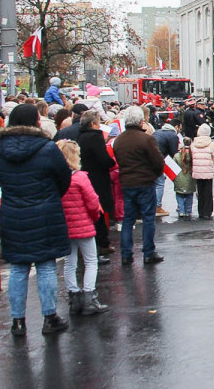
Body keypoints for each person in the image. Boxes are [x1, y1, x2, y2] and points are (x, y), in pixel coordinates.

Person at [0, 103, 72, 337]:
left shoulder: (0, 149)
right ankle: (49, 317)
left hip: (12, 211)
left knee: (18, 267)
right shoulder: (47, 148)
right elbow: (64, 177)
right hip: (45, 210)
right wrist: (50, 195)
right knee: (46, 265)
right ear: (35, 121)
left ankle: (18, 321)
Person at [56, 140, 108, 316]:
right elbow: (93, 202)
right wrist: (94, 218)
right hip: (83, 224)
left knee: (69, 262)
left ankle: (74, 297)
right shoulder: (80, 177)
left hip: (64, 225)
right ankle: (89, 296)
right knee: (90, 261)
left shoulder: (55, 179)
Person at [114, 106, 164, 266]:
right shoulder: (146, 139)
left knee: (128, 219)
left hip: (127, 182)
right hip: (145, 182)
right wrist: (153, 174)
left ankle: (126, 254)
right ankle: (148, 252)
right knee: (148, 218)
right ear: (141, 121)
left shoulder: (119, 140)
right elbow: (158, 162)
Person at [76, 110, 116, 259]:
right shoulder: (95, 137)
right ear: (93, 124)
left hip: (85, 176)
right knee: (98, 212)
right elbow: (103, 158)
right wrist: (112, 162)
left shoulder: (79, 136)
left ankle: (95, 244)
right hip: (97, 178)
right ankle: (101, 244)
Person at [190, 123, 214, 219]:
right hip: (208, 170)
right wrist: (213, 167)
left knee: (200, 191)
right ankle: (208, 211)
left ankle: (201, 211)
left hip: (197, 170)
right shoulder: (211, 145)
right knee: (208, 191)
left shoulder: (193, 144)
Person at [152, 117, 180, 216]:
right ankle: (157, 207)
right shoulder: (173, 135)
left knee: (152, 183)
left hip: (149, 158)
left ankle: (152, 205)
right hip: (159, 160)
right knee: (159, 183)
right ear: (177, 126)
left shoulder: (157, 131)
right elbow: (174, 153)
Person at [173, 138, 196, 219]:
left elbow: (172, 167)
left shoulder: (177, 155)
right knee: (189, 195)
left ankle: (181, 210)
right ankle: (188, 210)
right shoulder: (193, 155)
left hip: (179, 178)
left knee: (179, 195)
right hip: (190, 179)